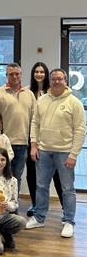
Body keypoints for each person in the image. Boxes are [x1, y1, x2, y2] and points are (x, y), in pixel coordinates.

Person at [25, 68, 86, 238]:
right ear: (50, 81)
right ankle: (39, 217)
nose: (56, 82)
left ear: (66, 81)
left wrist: (73, 154)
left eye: (60, 79)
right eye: (54, 79)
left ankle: (68, 221)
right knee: (41, 186)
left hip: (64, 153)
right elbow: (35, 123)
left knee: (67, 189)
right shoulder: (42, 100)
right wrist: (34, 145)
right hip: (43, 151)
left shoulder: (75, 102)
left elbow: (80, 130)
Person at [0, 62, 36, 194]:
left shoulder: (29, 94)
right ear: (6, 75)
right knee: (0, 176)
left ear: (21, 75)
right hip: (4, 143)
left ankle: (13, 205)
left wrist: (33, 142)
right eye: (11, 74)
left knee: (16, 178)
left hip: (23, 143)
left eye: (17, 74)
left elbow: (35, 119)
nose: (14, 76)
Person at [26, 62, 63, 217]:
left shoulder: (52, 92)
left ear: (46, 74)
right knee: (32, 174)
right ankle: (35, 204)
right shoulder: (27, 91)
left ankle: (64, 208)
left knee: (58, 176)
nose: (39, 74)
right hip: (31, 139)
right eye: (36, 71)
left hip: (50, 141)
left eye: (42, 71)